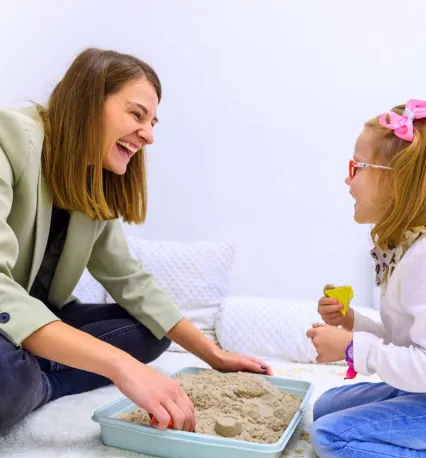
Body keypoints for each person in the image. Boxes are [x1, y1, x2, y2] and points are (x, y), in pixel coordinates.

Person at [0, 48, 272, 434]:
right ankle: (37, 381)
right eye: (137, 114)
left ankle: (36, 378)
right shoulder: (7, 137)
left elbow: (128, 279)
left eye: (152, 121)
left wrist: (215, 354)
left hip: (34, 317)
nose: (148, 134)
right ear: (87, 101)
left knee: (151, 329)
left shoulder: (94, 177)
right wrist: (121, 366)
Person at [306, 99, 426, 458]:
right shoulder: (412, 246)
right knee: (323, 407)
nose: (347, 180)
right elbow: (408, 339)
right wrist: (354, 324)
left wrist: (354, 349)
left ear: (397, 179)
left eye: (356, 167)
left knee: (331, 436)